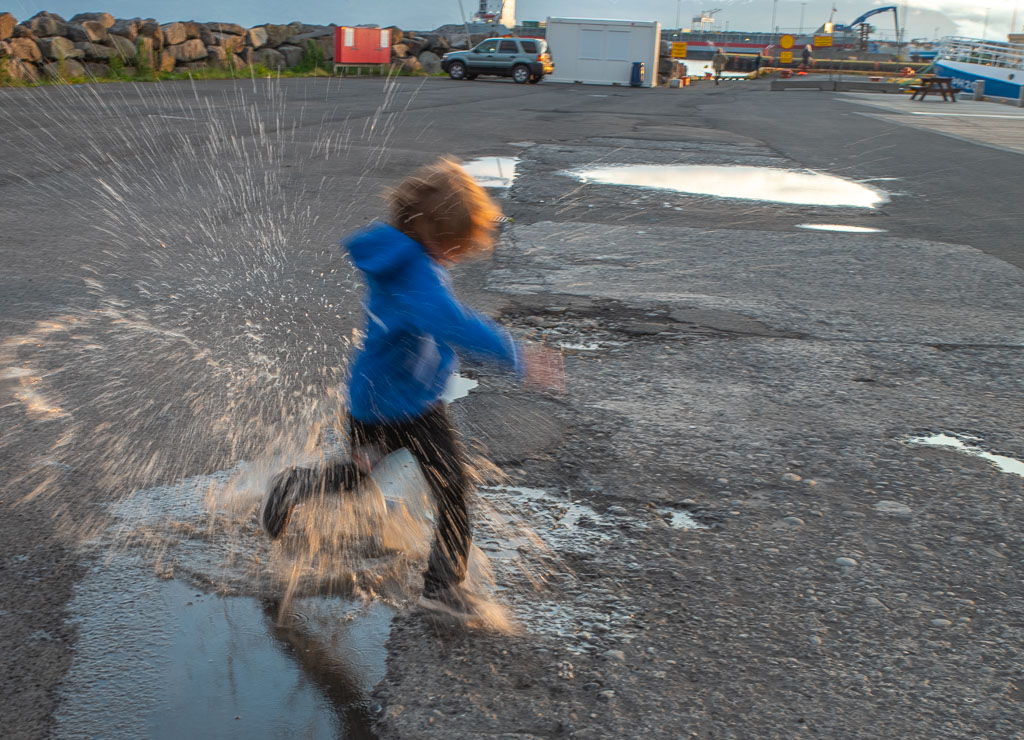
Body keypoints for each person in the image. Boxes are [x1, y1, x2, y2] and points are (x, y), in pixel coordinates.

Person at [260, 157, 563, 620]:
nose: (457, 254)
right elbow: (449, 320)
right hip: (409, 409)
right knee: (453, 489)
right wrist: (517, 356)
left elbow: (435, 322)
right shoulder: (415, 275)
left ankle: (294, 486)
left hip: (372, 404)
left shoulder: (404, 258)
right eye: (453, 245)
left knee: (362, 475)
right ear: (428, 229)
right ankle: (441, 588)